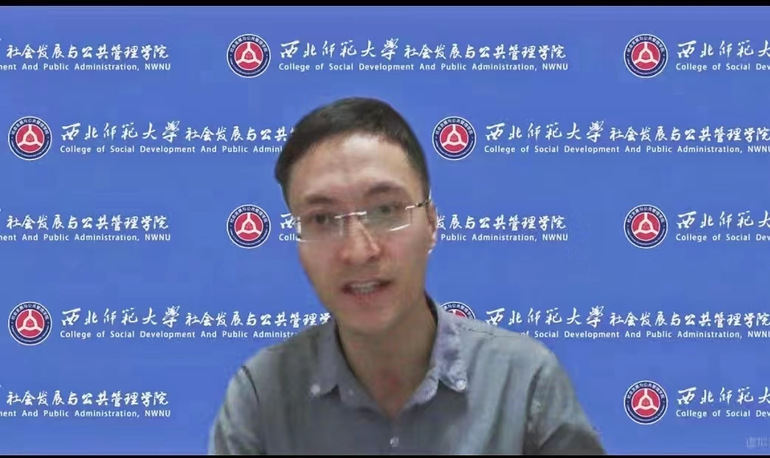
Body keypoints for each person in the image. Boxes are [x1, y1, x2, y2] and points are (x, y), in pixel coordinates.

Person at [208, 97, 605, 455]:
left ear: (431, 223)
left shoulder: (524, 382)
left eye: (385, 210)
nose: (359, 251)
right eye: (323, 219)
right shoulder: (261, 397)